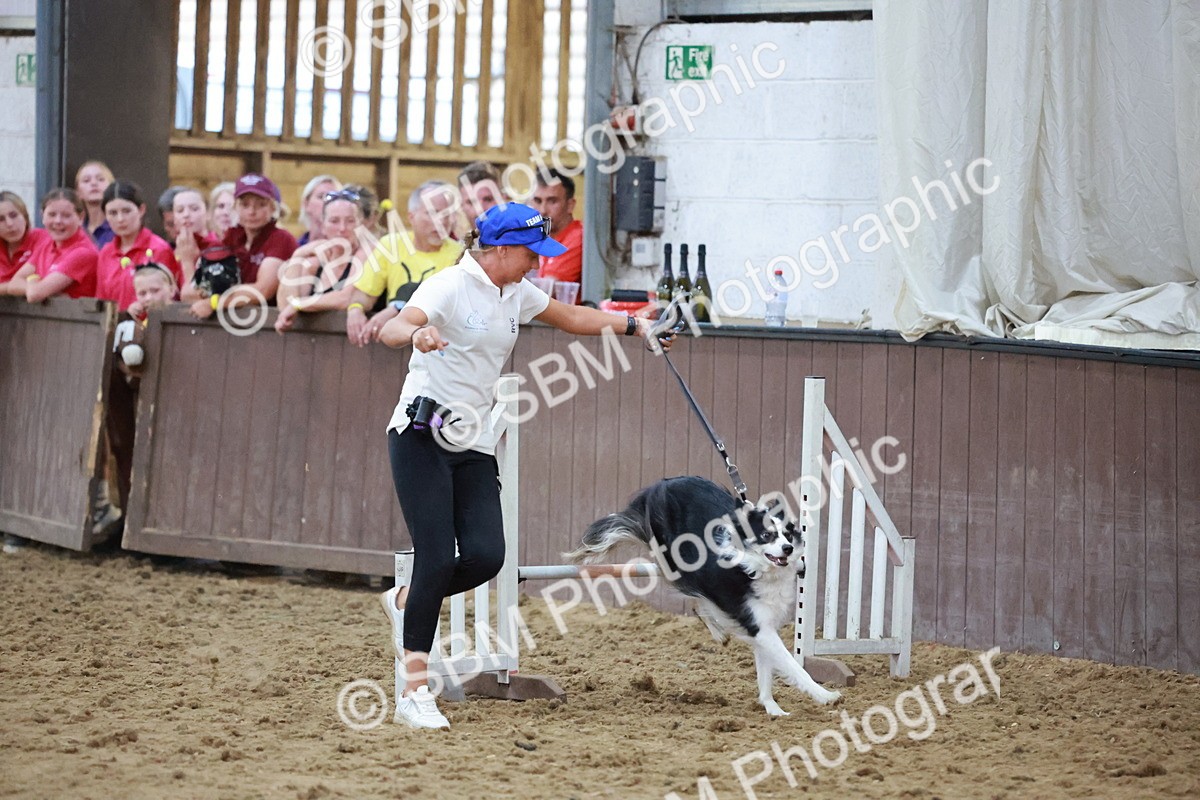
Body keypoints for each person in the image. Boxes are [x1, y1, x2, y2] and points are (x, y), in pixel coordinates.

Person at [375, 202, 673, 729]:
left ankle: (406, 597)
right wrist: (417, 334)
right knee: (438, 556)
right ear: (502, 250)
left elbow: (573, 318)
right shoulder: (449, 285)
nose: (539, 263)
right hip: (420, 435)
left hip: (472, 440)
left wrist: (634, 326)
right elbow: (393, 329)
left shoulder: (516, 290)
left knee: (488, 556)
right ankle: (414, 694)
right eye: (532, 253)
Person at [345, 180, 462, 346]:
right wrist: (355, 310)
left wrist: (396, 309)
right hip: (394, 348)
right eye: (432, 213)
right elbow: (364, 294)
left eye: (448, 214)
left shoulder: (461, 255)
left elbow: (445, 306)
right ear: (411, 217)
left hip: (441, 348)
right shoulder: (390, 245)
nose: (442, 222)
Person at [108, 263, 178, 518]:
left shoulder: (183, 319)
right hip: (136, 407)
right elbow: (118, 361)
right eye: (142, 293)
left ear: (172, 288)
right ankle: (131, 520)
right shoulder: (128, 324)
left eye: (155, 290)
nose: (149, 298)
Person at [183, 173, 296, 318]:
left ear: (273, 207)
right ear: (235, 207)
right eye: (245, 204)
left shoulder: (281, 238)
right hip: (236, 325)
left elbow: (263, 290)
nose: (251, 212)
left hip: (270, 324)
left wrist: (214, 303)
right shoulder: (231, 239)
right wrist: (187, 262)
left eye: (261, 204)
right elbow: (191, 293)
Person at [274, 187, 372, 331]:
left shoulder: (369, 252)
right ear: (323, 226)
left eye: (350, 221)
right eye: (334, 221)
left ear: (360, 224)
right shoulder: (315, 263)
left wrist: (298, 305)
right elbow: (284, 305)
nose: (342, 228)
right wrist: (298, 255)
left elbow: (345, 298)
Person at [95, 181, 180, 311]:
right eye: (112, 213)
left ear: (141, 210)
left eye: (126, 211)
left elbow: (170, 300)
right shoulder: (106, 252)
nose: (120, 219)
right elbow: (101, 300)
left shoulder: (159, 249)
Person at [17, 188, 98, 301]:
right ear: (42, 216)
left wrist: (32, 280)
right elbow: (16, 280)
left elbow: (35, 295)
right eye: (52, 214)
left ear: (80, 218)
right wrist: (36, 286)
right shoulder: (46, 243)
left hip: (77, 317)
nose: (58, 221)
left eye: (66, 215)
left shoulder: (83, 252)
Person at [530, 169, 583, 292]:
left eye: (552, 201)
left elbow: (545, 291)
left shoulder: (578, 236)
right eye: (538, 201)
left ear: (570, 205)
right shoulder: (541, 238)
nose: (543, 210)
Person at [0, 191, 50, 293]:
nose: (9, 224)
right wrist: (13, 286)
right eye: (1, 219)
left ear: (25, 217)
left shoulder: (44, 239)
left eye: (14, 215)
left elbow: (45, 282)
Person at [170, 186, 221, 284]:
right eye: (180, 210)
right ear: (174, 218)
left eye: (194, 209)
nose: (186, 214)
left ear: (208, 213)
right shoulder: (169, 251)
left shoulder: (218, 247)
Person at [75, 161, 115, 247]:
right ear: (78, 192)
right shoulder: (74, 229)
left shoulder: (120, 227)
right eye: (86, 180)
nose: (94, 183)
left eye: (100, 179)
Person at [297, 174, 342, 246]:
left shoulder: (350, 249)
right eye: (321, 197)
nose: (327, 202)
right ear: (306, 204)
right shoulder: (293, 248)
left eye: (333, 197)